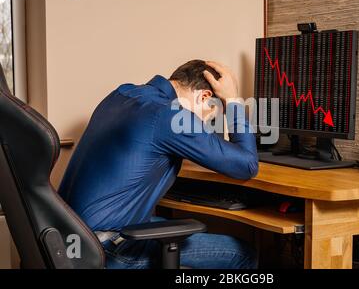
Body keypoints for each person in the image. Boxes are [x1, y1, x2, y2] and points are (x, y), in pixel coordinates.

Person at [58, 60, 259, 269]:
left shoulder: (122, 94)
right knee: (242, 254)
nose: (203, 125)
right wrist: (232, 101)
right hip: (106, 251)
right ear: (204, 96)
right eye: (209, 117)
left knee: (188, 232)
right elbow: (247, 165)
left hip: (69, 240)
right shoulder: (170, 115)